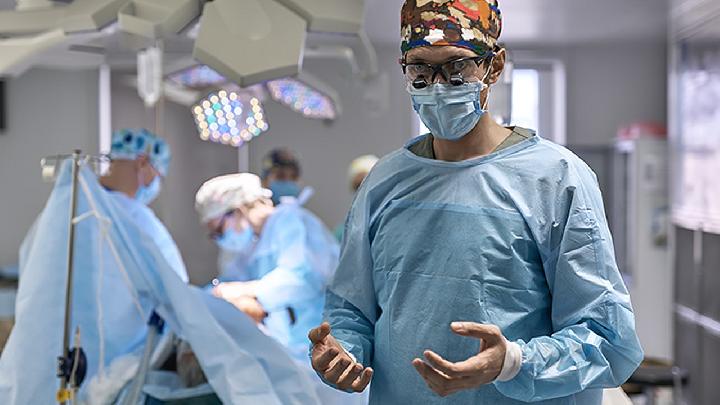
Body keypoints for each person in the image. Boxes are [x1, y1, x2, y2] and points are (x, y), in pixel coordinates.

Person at [308, 1, 643, 404]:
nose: (438, 84)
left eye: (457, 66)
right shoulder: (385, 182)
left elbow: (608, 337)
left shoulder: (556, 178)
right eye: (420, 68)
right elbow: (351, 309)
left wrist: (512, 362)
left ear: (494, 66)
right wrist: (344, 351)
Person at [195, 173, 368, 404]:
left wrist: (247, 291)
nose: (220, 238)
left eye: (219, 230)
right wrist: (203, 297)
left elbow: (302, 279)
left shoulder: (290, 221)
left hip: (330, 348)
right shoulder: (250, 247)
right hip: (294, 354)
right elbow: (226, 284)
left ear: (238, 210)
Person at [101, 128, 188, 282]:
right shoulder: (138, 220)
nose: (156, 184)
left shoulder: (79, 198)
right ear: (142, 163)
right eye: (157, 176)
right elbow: (177, 286)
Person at [334, 155, 379, 242]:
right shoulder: (344, 232)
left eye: (369, 183)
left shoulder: (392, 223)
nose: (363, 190)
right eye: (358, 186)